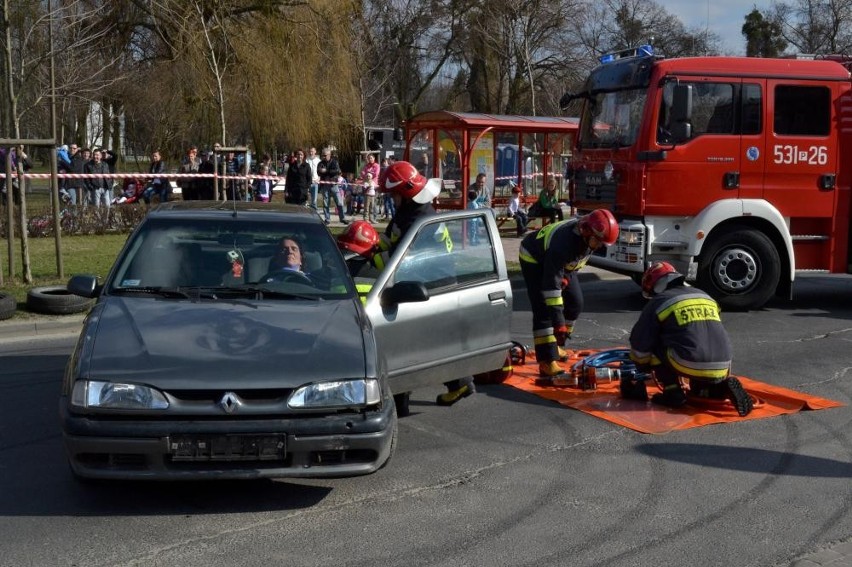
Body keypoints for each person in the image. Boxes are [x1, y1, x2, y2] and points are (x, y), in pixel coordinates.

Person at [377, 160, 474, 407]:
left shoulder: (415, 220)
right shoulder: (416, 211)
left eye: (394, 194)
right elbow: (392, 239)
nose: (392, 199)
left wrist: (376, 256)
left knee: (404, 340)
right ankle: (459, 382)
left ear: (405, 193)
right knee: (434, 338)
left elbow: (399, 260)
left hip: (426, 284)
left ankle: (400, 400)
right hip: (437, 280)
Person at [627, 261, 753, 416]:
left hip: (689, 360)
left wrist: (640, 367)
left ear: (655, 286)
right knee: (694, 349)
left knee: (654, 343)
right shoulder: (705, 296)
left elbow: (640, 342)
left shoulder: (659, 301)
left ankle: (672, 392)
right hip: (724, 362)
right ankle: (717, 387)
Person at [519, 209, 619, 379]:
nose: (601, 246)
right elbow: (551, 287)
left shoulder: (589, 239)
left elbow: (576, 262)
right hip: (534, 257)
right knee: (544, 307)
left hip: (556, 263)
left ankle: (558, 342)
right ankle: (547, 361)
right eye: (599, 242)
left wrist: (565, 277)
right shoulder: (564, 243)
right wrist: (558, 323)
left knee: (575, 302)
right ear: (586, 232)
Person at [317, 148, 346, 224]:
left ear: (329, 155)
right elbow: (319, 172)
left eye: (325, 155)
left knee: (339, 202)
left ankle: (342, 218)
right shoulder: (320, 163)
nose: (323, 157)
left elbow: (337, 171)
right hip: (325, 186)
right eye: (322, 155)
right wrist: (324, 172)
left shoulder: (335, 162)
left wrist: (326, 171)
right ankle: (327, 219)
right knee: (326, 203)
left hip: (334, 185)